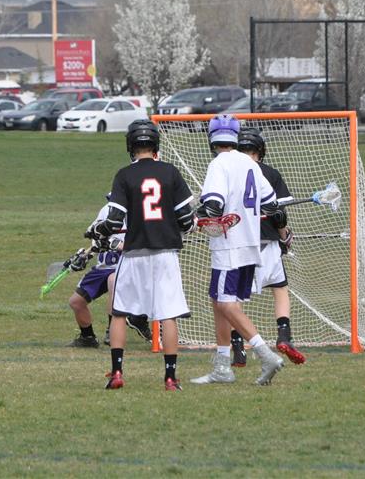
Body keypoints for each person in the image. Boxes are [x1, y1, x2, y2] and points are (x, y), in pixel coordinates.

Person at [85, 120, 194, 391]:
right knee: (168, 314)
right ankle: (170, 377)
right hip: (166, 253)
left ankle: (117, 373)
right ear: (155, 144)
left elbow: (113, 221)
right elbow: (186, 220)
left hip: (134, 252)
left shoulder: (124, 175)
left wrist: (98, 230)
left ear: (130, 146)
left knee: (119, 312)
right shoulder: (170, 172)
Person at [191, 114, 288, 386]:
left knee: (226, 304)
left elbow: (213, 207)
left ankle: (266, 355)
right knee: (218, 300)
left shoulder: (218, 164)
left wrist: (196, 219)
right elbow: (271, 206)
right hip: (249, 243)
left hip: (229, 246)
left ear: (212, 138)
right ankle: (222, 366)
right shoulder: (250, 163)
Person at [232, 127, 305, 366]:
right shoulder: (270, 173)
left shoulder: (229, 172)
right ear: (260, 150)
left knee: (234, 299)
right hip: (268, 244)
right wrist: (284, 237)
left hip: (240, 244)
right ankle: (284, 336)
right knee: (280, 289)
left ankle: (238, 348)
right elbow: (279, 215)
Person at [66, 197, 152, 348]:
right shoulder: (107, 210)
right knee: (76, 302)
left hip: (126, 266)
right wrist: (85, 256)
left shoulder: (143, 214)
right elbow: (98, 238)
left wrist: (117, 245)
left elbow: (146, 245)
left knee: (113, 280)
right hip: (103, 267)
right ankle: (88, 338)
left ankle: (112, 331)